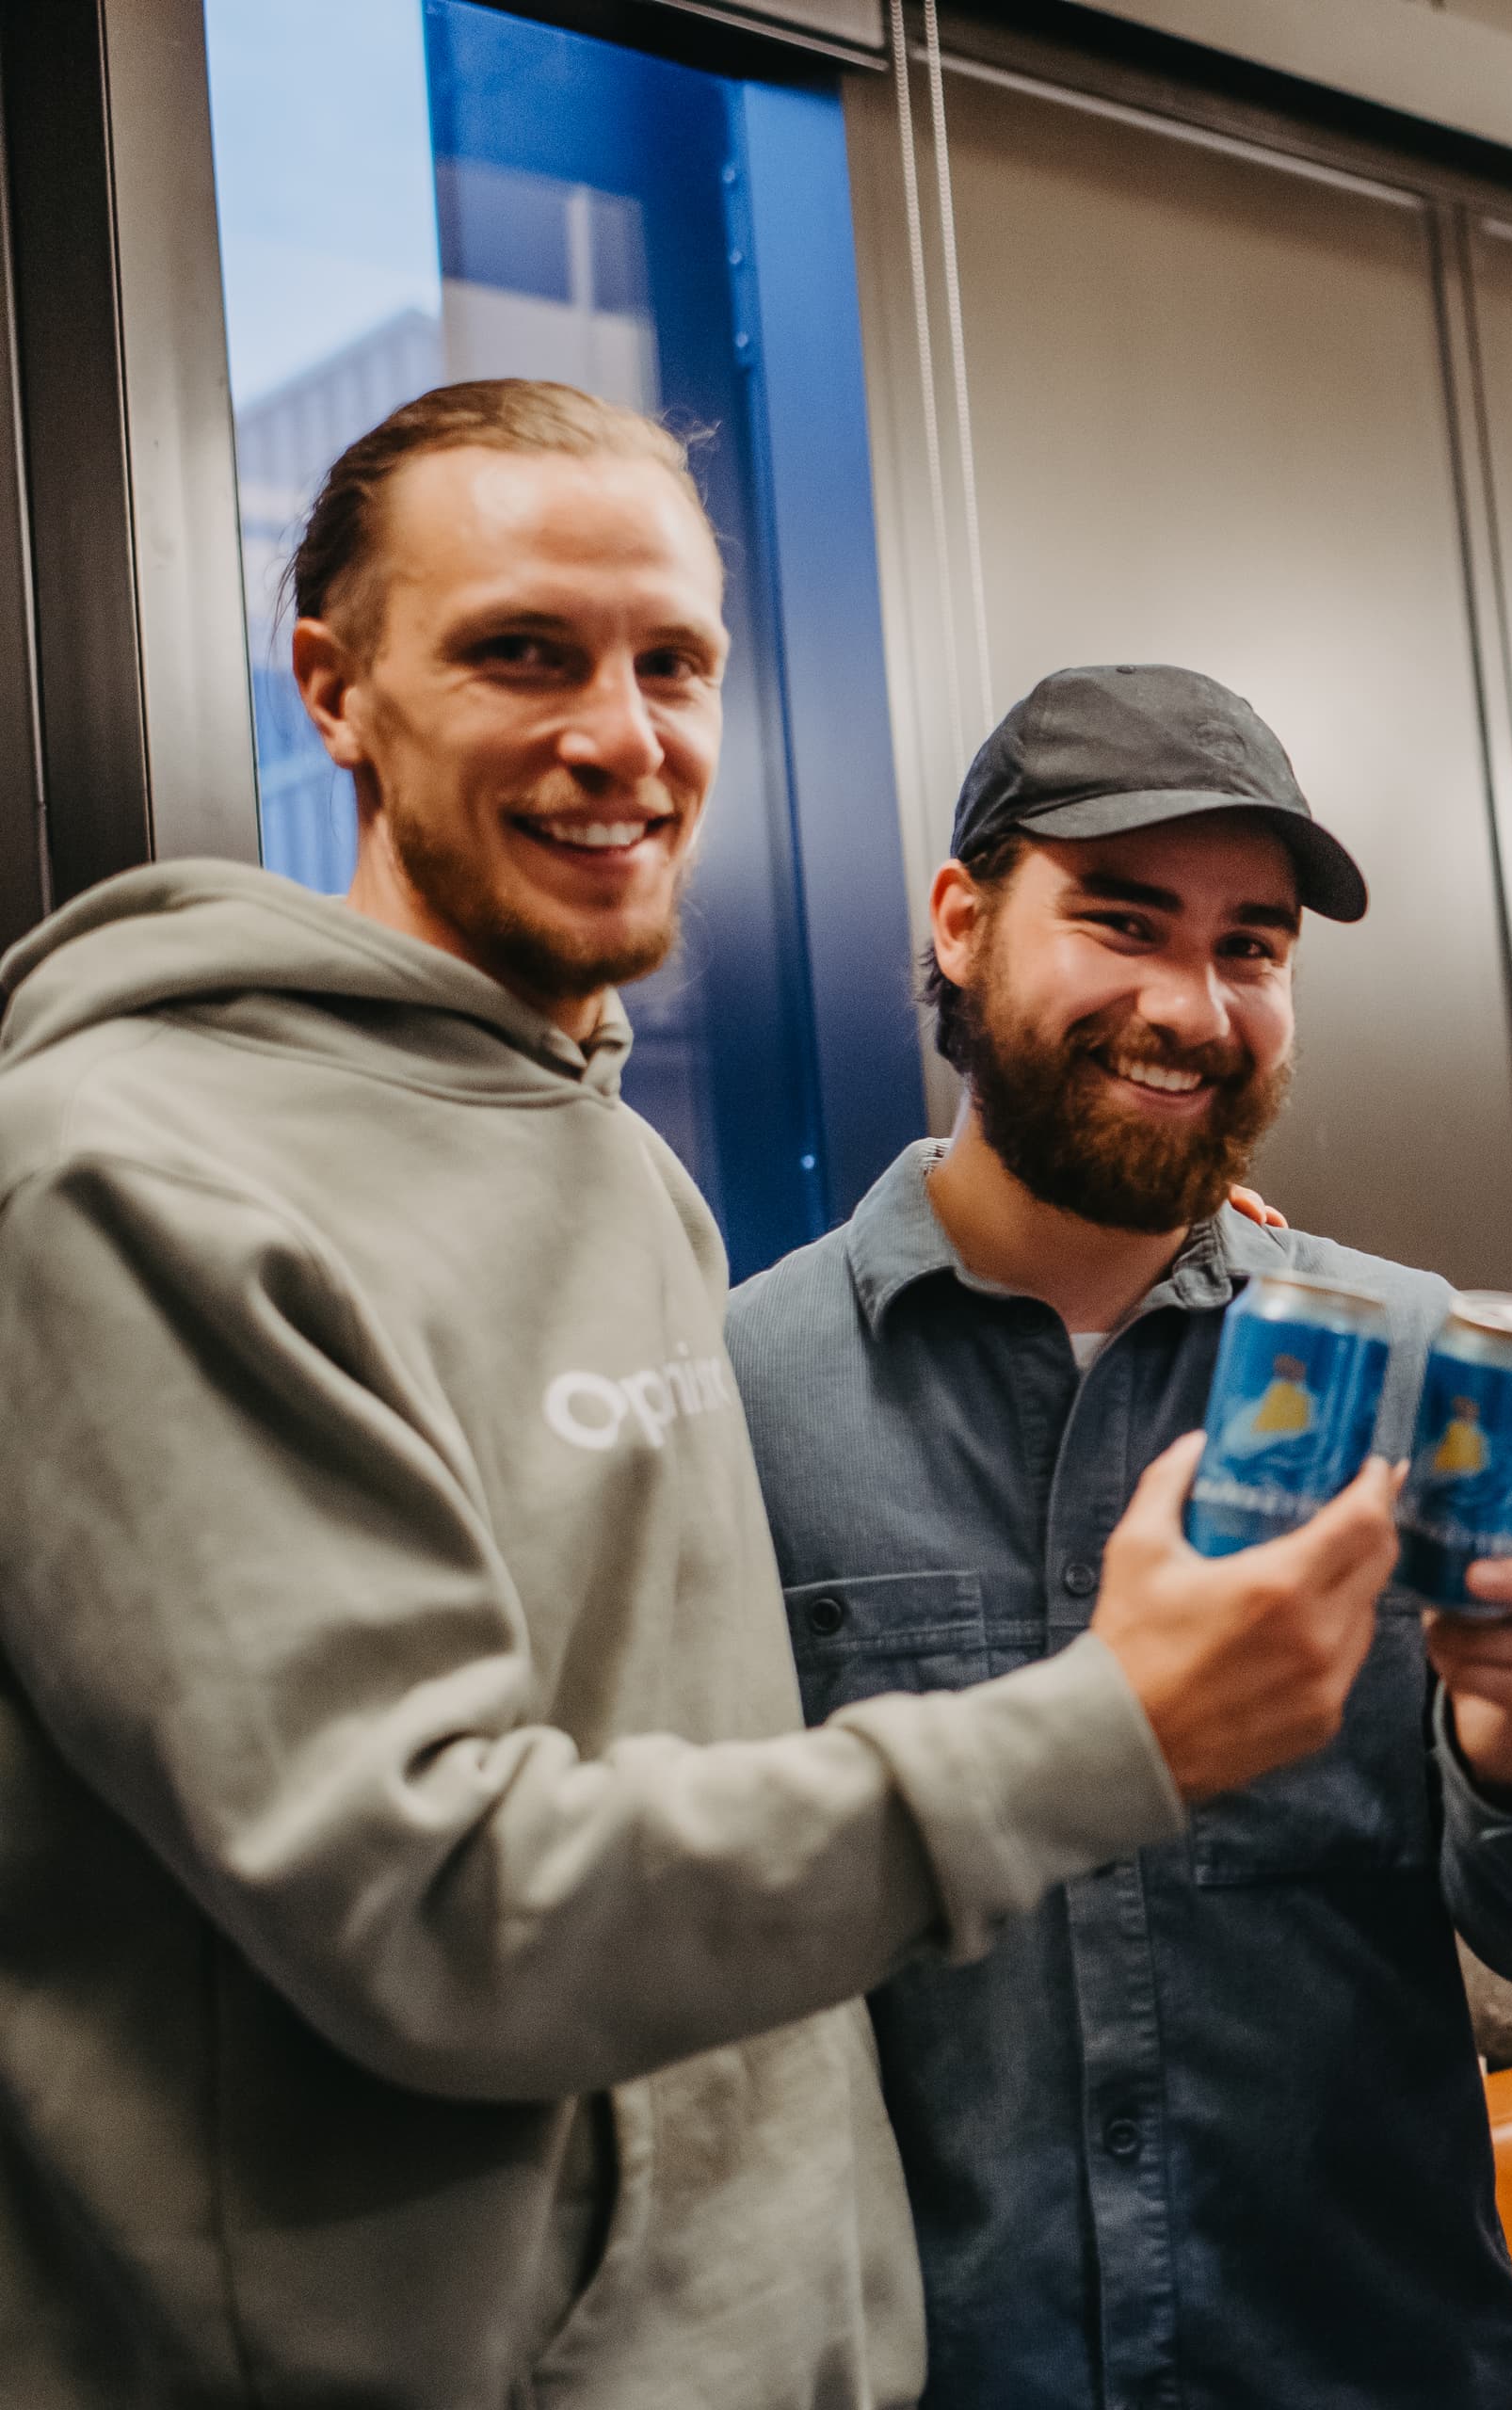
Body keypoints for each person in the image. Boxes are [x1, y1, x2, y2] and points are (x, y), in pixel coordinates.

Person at [0, 384, 1407, 2405]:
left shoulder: (618, 1163)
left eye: (672, 661)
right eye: (521, 652)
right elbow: (433, 1901)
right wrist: (1109, 1729)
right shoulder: (127, 1175)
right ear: (335, 685)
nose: (620, 734)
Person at [726, 663, 1512, 2407]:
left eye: (1251, 947)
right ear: (959, 922)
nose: (1194, 1004)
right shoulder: (746, 1397)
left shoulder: (1424, 1368)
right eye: (1123, 921)